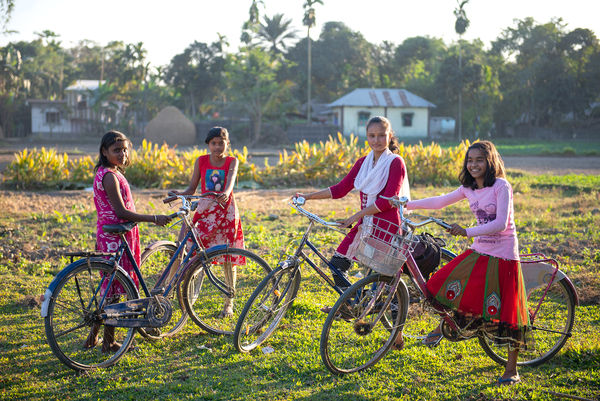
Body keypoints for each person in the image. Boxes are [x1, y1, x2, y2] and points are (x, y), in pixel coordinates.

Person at [395, 140, 529, 386]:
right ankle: (444, 328)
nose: (474, 164)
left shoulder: (501, 186)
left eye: (479, 160)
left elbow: (500, 223)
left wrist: (466, 231)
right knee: (440, 284)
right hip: (480, 249)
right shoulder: (469, 188)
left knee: (509, 312)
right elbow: (441, 200)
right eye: (470, 160)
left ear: (490, 162)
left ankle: (512, 370)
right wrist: (407, 204)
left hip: (504, 254)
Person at [296, 116, 409, 308]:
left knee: (381, 281)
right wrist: (308, 196)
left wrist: (356, 216)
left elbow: (389, 201)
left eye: (381, 135)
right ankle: (356, 304)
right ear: (366, 137)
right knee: (337, 265)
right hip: (366, 224)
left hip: (386, 227)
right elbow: (340, 189)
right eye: (372, 136)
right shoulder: (362, 163)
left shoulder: (395, 163)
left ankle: (394, 330)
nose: (376, 140)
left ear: (390, 136)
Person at [85, 130, 172, 352]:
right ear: (104, 152)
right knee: (114, 290)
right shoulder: (110, 176)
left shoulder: (107, 172)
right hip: (116, 235)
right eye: (116, 150)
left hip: (111, 234)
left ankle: (94, 337)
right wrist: (153, 218)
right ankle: (108, 342)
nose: (122, 154)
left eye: (125, 149)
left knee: (109, 287)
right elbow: (121, 211)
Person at [170, 126, 244, 318]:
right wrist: (178, 194)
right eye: (214, 143)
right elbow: (192, 187)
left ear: (227, 144)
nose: (217, 147)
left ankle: (229, 303)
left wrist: (225, 194)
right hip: (204, 212)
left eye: (221, 143)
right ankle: (190, 300)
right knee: (196, 254)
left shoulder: (232, 161)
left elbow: (229, 184)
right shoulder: (201, 161)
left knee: (228, 258)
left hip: (227, 212)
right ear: (208, 144)